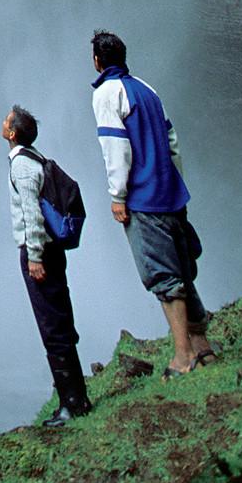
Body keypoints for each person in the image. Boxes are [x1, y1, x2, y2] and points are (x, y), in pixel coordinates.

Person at [91, 29, 216, 376]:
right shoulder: (147, 90)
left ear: (97, 61)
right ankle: (203, 348)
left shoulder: (106, 93)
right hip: (171, 194)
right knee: (181, 271)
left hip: (144, 200)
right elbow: (172, 142)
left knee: (164, 277)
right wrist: (175, 182)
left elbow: (116, 147)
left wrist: (118, 196)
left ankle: (182, 357)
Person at [3, 104, 92, 423]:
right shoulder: (35, 158)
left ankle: (72, 403)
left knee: (51, 323)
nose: (1, 124)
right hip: (53, 250)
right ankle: (76, 397)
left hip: (39, 251)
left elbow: (32, 214)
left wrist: (35, 257)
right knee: (58, 317)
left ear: (12, 133)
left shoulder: (22, 167)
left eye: (6, 122)